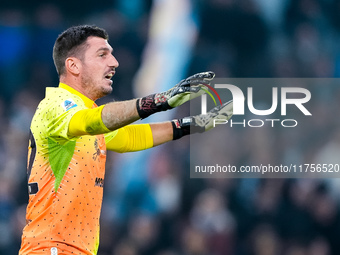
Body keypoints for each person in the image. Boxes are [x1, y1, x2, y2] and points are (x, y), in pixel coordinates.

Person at [19, 25, 232, 255]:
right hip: (52, 249)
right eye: (102, 55)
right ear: (73, 65)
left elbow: (129, 137)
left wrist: (190, 125)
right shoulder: (57, 106)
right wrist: (161, 101)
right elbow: (96, 121)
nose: (114, 62)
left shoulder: (83, 113)